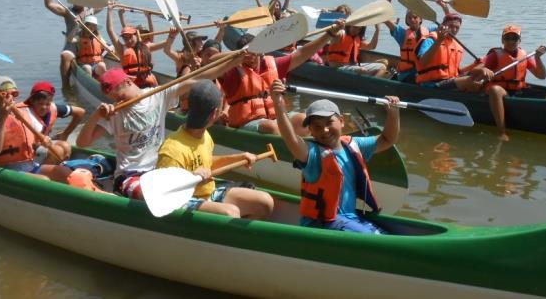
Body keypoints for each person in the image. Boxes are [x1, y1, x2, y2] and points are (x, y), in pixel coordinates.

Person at [76, 57, 243, 199]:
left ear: (128, 82)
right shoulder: (115, 113)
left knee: (182, 188)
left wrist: (237, 59)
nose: (118, 103)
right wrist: (96, 116)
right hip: (130, 175)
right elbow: (82, 143)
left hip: (159, 171)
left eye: (120, 97)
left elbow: (201, 76)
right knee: (156, 195)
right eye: (114, 99)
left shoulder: (158, 94)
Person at [270, 80, 400, 234]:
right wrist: (278, 104)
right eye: (317, 127)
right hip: (322, 224)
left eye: (329, 122)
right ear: (310, 130)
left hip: (350, 219)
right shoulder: (312, 155)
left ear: (342, 121)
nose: (324, 130)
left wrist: (393, 113)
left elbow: (387, 139)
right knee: (377, 239)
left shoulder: (354, 145)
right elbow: (291, 139)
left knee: (384, 234)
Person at [156, 81, 274, 218]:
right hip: (184, 201)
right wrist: (192, 178)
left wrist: (240, 157)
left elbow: (207, 163)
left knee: (265, 202)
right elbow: (164, 192)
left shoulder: (205, 136)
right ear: (215, 113)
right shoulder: (171, 149)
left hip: (209, 193)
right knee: (231, 213)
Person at [219, 30, 333, 135]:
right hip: (246, 123)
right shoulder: (233, 73)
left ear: (260, 51)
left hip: (275, 117)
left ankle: (304, 149)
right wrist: (239, 54)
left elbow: (302, 53)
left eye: (254, 52)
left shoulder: (274, 65)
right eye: (246, 55)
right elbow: (210, 60)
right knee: (271, 127)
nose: (250, 58)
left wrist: (329, 35)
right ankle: (287, 148)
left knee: (304, 120)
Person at [0, 77, 77, 181]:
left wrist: (44, 141)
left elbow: (35, 142)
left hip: (30, 164)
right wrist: (3, 117)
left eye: (14, 94)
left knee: (66, 173)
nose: (10, 98)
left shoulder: (25, 112)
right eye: (5, 95)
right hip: (8, 168)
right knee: (44, 180)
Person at [477, 25, 546, 141]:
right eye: (507, 38)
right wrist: (483, 70)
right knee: (495, 90)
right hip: (502, 90)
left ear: (519, 41)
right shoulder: (494, 56)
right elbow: (475, 70)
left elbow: (541, 76)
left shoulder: (525, 56)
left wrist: (538, 58)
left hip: (519, 90)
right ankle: (502, 132)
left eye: (514, 38)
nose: (511, 41)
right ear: (502, 40)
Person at [44, 0, 110, 87]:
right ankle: (66, 85)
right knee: (65, 56)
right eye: (75, 0)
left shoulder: (90, 10)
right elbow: (49, 4)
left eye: (79, 0)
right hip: (73, 42)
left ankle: (104, 79)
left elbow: (104, 3)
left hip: (90, 40)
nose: (76, 3)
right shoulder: (67, 11)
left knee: (111, 49)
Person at [414, 8, 482, 91]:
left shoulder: (458, 46)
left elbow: (457, 71)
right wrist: (439, 41)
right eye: (451, 26)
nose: (454, 30)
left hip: (449, 81)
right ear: (443, 26)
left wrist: (474, 65)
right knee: (470, 81)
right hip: (431, 83)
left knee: (480, 75)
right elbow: (423, 62)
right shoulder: (431, 39)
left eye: (457, 27)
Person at [382, 0, 438, 83]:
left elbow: (447, 25)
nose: (412, 20)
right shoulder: (402, 34)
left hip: (424, 71)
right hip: (407, 75)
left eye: (415, 17)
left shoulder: (430, 30)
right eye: (409, 17)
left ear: (421, 19)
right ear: (406, 21)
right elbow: (384, 17)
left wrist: (444, 7)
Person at [106, 6, 165, 88]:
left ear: (136, 36)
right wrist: (110, 11)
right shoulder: (122, 49)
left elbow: (160, 40)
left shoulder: (145, 45)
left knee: (153, 78)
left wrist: (172, 35)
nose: (128, 40)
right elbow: (110, 30)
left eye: (130, 37)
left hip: (147, 80)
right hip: (134, 85)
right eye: (125, 38)